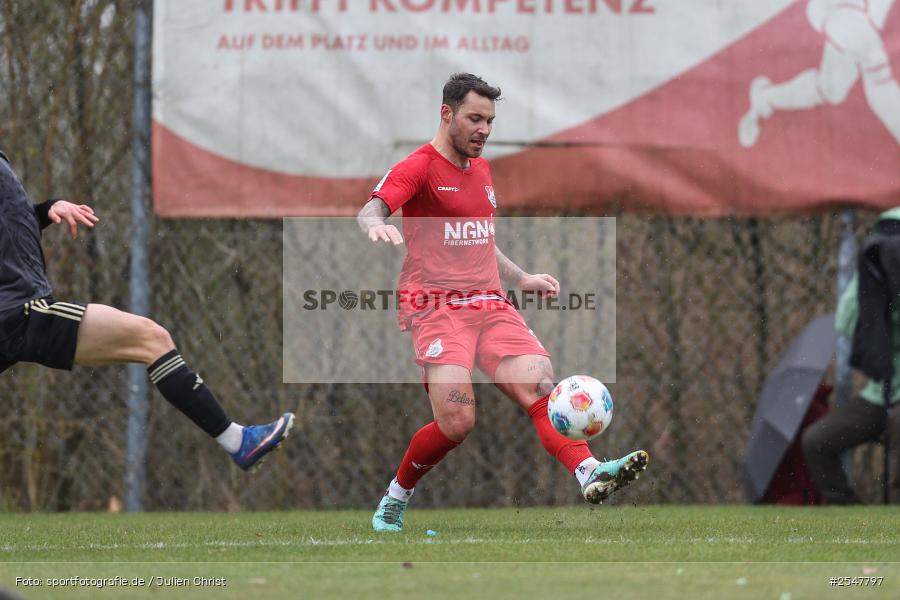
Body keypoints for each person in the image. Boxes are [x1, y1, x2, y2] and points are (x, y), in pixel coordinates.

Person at [357, 73, 649, 532]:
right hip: (438, 309)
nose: (484, 130)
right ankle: (396, 498)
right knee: (456, 421)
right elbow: (371, 207)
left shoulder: (482, 170)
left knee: (539, 385)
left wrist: (523, 278)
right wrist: (374, 224)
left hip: (490, 306)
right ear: (446, 114)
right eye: (475, 118)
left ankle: (589, 471)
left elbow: (480, 240)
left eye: (490, 121)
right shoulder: (419, 167)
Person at [0, 150, 294, 472]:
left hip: (16, 307)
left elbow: (9, 227)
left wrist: (45, 211)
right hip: (19, 311)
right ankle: (238, 442)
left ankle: (239, 442)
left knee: (150, 339)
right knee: (150, 338)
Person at [802, 208, 900, 504]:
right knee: (817, 441)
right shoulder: (874, 282)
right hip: (878, 394)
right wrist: (869, 280)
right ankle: (849, 512)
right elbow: (845, 321)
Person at [739, 0, 899, 147]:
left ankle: (765, 98)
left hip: (866, 13)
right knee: (874, 62)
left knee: (833, 89)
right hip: (842, 8)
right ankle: (765, 97)